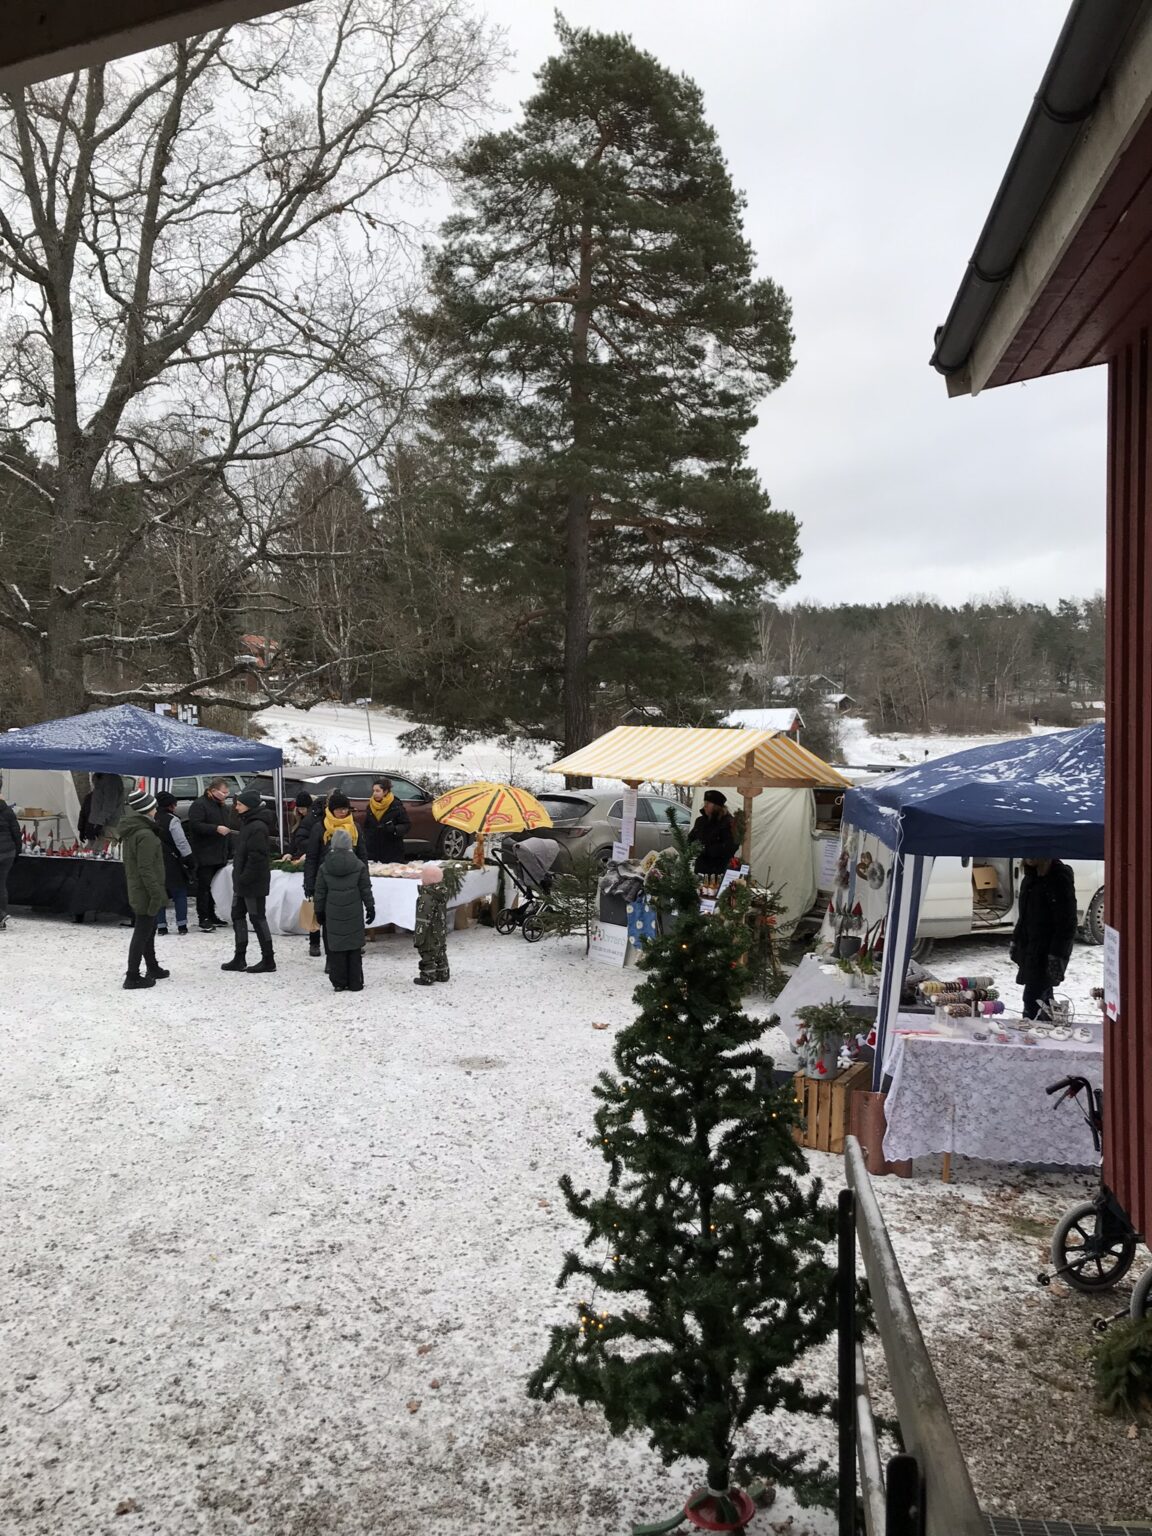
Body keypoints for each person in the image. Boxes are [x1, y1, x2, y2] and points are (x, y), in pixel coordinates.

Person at [1010, 856, 1078, 1021]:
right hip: (1031, 947)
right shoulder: (1030, 879)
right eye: (1025, 854)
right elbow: (1024, 916)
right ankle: (1047, 1027)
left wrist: (1056, 955)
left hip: (1048, 950)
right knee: (1042, 997)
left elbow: (1067, 922)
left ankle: (1034, 1029)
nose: (1029, 858)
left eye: (1034, 853)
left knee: (1032, 997)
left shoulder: (1059, 879)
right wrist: (1016, 939)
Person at [304, 791, 367, 961]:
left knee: (349, 918)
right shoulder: (320, 827)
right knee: (324, 919)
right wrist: (309, 883)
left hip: (350, 881)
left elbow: (362, 856)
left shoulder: (355, 828)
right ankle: (324, 951)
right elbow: (311, 857)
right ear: (331, 810)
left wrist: (364, 880)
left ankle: (352, 949)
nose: (343, 812)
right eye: (339, 809)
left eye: (345, 809)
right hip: (324, 880)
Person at [118, 788, 170, 990]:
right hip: (147, 891)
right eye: (154, 806)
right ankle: (132, 976)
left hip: (140, 888)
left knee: (149, 929)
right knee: (142, 931)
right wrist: (156, 894)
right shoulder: (145, 834)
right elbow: (146, 868)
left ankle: (152, 966)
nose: (156, 809)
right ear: (148, 810)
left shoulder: (134, 831)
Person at [221, 786, 276, 974]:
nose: (236, 807)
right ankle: (239, 956)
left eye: (240, 804)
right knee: (237, 915)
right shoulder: (247, 822)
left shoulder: (257, 826)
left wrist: (244, 878)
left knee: (257, 917)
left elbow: (257, 857)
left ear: (250, 806)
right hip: (242, 881)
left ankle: (268, 959)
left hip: (253, 882)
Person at [314, 827, 375, 992]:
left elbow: (319, 892)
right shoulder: (359, 865)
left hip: (332, 913)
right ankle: (355, 982)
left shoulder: (324, 867)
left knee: (337, 948)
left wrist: (319, 911)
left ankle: (339, 982)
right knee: (353, 947)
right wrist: (370, 907)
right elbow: (365, 889)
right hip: (353, 912)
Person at [186, 778, 236, 930]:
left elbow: (228, 827)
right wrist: (215, 828)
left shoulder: (222, 806)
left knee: (215, 886)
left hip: (219, 852)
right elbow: (194, 825)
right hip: (204, 853)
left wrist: (229, 850)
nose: (226, 795)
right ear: (213, 791)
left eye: (227, 793)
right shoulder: (199, 805)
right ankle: (203, 917)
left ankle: (212, 914)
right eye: (224, 792)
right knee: (204, 887)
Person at [154, 791, 196, 936]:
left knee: (159, 894)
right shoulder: (173, 820)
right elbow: (181, 842)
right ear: (171, 805)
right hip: (172, 861)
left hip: (155, 860)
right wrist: (190, 859)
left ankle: (161, 926)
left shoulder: (150, 819)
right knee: (179, 892)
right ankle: (182, 925)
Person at [413, 864, 450, 985]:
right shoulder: (441, 894)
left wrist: (418, 937)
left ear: (426, 881)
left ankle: (428, 976)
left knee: (428, 953)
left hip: (429, 932)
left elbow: (422, 919)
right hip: (440, 931)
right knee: (440, 951)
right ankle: (443, 973)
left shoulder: (426, 897)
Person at [360, 778, 411, 863]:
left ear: (385, 791)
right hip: (373, 849)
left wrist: (394, 829)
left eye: (377, 791)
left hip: (391, 850)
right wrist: (368, 837)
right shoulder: (370, 806)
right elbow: (367, 826)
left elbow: (406, 824)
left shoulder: (396, 806)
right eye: (374, 791)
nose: (374, 794)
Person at [689, 790, 738, 876]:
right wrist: (694, 847)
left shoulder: (728, 822)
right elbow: (691, 838)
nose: (705, 806)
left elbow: (729, 847)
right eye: (705, 802)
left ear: (716, 806)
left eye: (708, 803)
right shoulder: (700, 821)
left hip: (718, 871)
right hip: (701, 869)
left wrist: (706, 849)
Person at [0, 775, 22, 932]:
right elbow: (16, 833)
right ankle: (1, 915)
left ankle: (1, 915)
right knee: (1, 885)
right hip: (8, 852)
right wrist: (17, 852)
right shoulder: (8, 811)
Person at [289, 791, 318, 858]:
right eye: (299, 809)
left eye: (303, 809)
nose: (301, 811)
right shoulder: (299, 818)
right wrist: (289, 852)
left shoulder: (313, 820)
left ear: (309, 807)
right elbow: (295, 838)